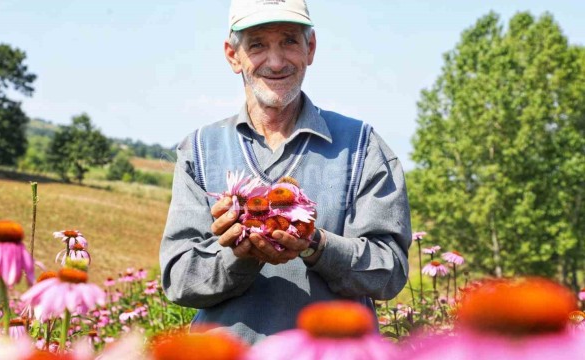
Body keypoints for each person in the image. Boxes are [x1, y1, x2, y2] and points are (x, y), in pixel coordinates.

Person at [160, 0, 412, 345]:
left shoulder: (362, 146)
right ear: (233, 56)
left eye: (290, 41)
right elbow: (179, 279)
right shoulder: (200, 150)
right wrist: (237, 254)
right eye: (258, 44)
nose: (276, 62)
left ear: (310, 48)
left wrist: (316, 245)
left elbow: (390, 272)